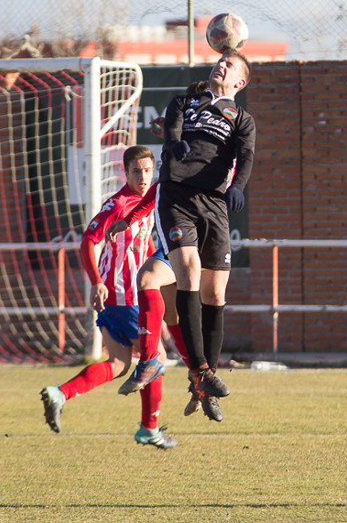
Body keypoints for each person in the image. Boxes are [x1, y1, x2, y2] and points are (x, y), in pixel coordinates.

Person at [120, 50, 255, 420]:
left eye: (229, 65)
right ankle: (201, 370)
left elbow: (244, 156)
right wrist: (174, 140)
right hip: (178, 193)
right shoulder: (186, 101)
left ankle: (203, 382)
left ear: (239, 83)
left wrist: (238, 186)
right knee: (189, 271)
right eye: (220, 60)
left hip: (214, 203)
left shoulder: (241, 118)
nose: (220, 65)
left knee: (215, 291)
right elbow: (174, 122)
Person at [39, 145, 177, 450]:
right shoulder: (118, 204)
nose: (142, 177)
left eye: (146, 170)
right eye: (135, 171)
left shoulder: (151, 195)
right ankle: (149, 428)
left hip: (117, 300)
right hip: (125, 297)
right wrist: (96, 282)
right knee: (157, 360)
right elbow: (89, 240)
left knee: (118, 363)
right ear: (124, 173)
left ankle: (60, 393)